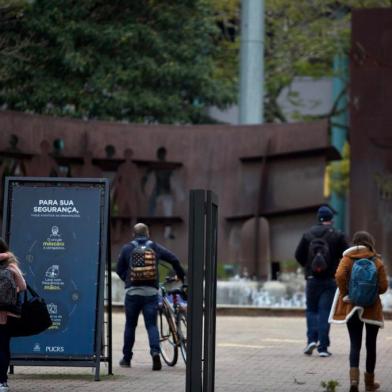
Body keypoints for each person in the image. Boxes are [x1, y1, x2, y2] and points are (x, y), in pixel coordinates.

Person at [116, 223, 185, 370]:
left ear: (133, 235)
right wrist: (181, 275)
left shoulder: (127, 248)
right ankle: (155, 353)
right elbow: (174, 260)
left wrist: (128, 280)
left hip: (132, 294)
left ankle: (127, 359)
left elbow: (119, 269)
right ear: (148, 234)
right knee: (151, 325)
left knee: (130, 325)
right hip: (151, 294)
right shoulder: (154, 247)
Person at [329, 231, 388, 392]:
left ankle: (354, 382)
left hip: (352, 308)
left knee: (355, 345)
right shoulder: (377, 260)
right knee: (371, 346)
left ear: (354, 242)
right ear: (370, 243)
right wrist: (371, 292)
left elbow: (339, 275)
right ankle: (369, 384)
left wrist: (345, 293)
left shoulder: (347, 258)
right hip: (372, 309)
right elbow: (383, 287)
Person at [295, 205, 349, 357]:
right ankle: (323, 348)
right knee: (325, 311)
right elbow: (347, 254)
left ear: (318, 218)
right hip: (329, 280)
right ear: (331, 219)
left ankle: (311, 340)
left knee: (311, 310)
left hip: (312, 279)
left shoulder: (307, 234)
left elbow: (298, 255)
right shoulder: (337, 235)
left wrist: (309, 267)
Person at [0, 238, 26, 392]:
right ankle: (2, 382)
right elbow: (22, 286)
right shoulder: (11, 264)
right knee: (3, 348)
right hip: (6, 314)